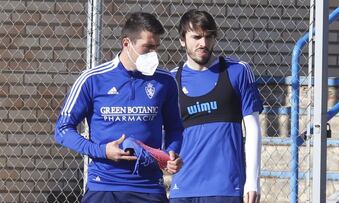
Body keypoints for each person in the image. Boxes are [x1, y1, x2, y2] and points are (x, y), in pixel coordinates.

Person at [54, 12, 183, 203]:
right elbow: (62, 130)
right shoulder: (93, 79)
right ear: (126, 43)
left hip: (148, 188)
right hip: (104, 185)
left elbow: (175, 128)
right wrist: (102, 151)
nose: (152, 54)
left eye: (156, 48)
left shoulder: (165, 81)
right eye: (147, 48)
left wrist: (172, 153)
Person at [169, 9, 263, 203]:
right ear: (182, 40)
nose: (203, 43)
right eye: (196, 37)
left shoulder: (238, 71)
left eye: (208, 36)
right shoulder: (170, 80)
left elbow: (253, 129)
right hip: (183, 189)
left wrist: (252, 181)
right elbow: (166, 132)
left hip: (227, 187)